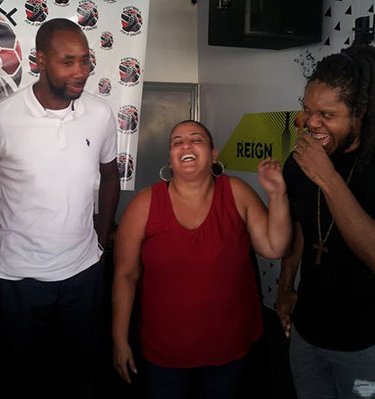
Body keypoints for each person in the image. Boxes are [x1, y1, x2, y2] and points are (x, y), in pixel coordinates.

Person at [0, 18, 120, 398]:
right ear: (39, 60)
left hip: (83, 276)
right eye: (68, 62)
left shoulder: (100, 113)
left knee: (81, 379)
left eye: (85, 61)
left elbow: (111, 176)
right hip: (17, 280)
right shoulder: (1, 117)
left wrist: (100, 242)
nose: (81, 72)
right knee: (22, 382)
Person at [277, 44, 375, 399]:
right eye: (307, 109)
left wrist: (328, 177)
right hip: (309, 332)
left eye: (327, 114)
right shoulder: (300, 159)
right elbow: (302, 227)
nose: (310, 123)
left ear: (360, 112)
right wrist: (286, 286)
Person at [112, 120, 291, 399]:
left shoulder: (237, 191)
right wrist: (119, 339)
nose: (185, 145)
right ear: (170, 158)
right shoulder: (144, 204)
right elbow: (125, 276)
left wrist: (278, 195)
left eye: (196, 139)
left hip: (230, 350)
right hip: (164, 355)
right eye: (176, 142)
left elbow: (273, 247)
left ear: (214, 154)